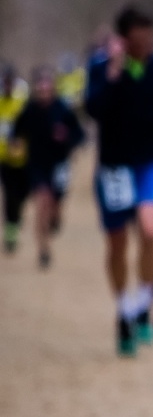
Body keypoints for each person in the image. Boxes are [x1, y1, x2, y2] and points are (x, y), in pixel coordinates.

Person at [84, 5, 153, 357]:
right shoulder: (102, 69)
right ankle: (124, 308)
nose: (145, 46)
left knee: (152, 227)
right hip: (114, 166)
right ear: (124, 41)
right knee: (117, 243)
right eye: (138, 41)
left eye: (149, 39)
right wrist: (113, 71)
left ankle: (144, 301)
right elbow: (93, 109)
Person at [11, 65, 85, 269]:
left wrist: (67, 137)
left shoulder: (62, 109)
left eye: (47, 86)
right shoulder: (30, 109)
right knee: (42, 202)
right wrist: (15, 142)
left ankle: (56, 217)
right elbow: (16, 130)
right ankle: (43, 250)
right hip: (37, 164)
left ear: (53, 87)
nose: (43, 90)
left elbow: (79, 135)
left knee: (55, 206)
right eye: (40, 86)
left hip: (60, 164)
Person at [0, 65, 30, 254]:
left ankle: (16, 221)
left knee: (22, 195)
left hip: (24, 159)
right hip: (4, 158)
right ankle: (11, 232)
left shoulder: (23, 101)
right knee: (9, 195)